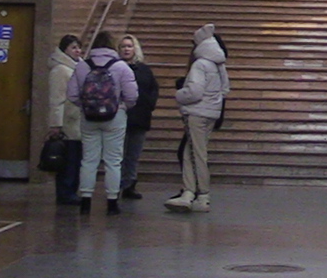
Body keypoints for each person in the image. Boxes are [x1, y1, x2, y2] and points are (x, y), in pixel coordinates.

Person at [65, 32, 139, 215]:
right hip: (115, 117)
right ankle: (112, 202)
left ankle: (86, 201)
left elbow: (72, 94)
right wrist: (121, 107)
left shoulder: (82, 66)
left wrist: (86, 106)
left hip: (89, 117)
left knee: (89, 160)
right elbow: (132, 96)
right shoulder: (121, 67)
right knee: (113, 160)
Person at [165, 23, 227, 213]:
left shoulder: (200, 65)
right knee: (192, 153)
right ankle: (190, 193)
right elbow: (225, 89)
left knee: (196, 154)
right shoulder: (218, 64)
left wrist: (179, 95)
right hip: (211, 113)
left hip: (197, 113)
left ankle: (200, 194)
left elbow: (194, 92)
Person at [117, 34, 159, 200]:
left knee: (133, 154)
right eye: (123, 46)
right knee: (118, 155)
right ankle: (116, 184)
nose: (126, 49)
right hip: (119, 117)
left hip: (140, 118)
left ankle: (129, 184)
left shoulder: (144, 70)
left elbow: (153, 89)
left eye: (129, 46)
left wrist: (149, 105)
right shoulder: (115, 68)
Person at [49, 34, 86, 204]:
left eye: (79, 47)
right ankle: (65, 191)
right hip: (67, 121)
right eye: (73, 47)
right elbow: (56, 99)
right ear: (65, 50)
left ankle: (71, 190)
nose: (78, 51)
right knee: (68, 159)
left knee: (75, 158)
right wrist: (56, 124)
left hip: (77, 120)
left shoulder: (78, 67)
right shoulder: (61, 70)